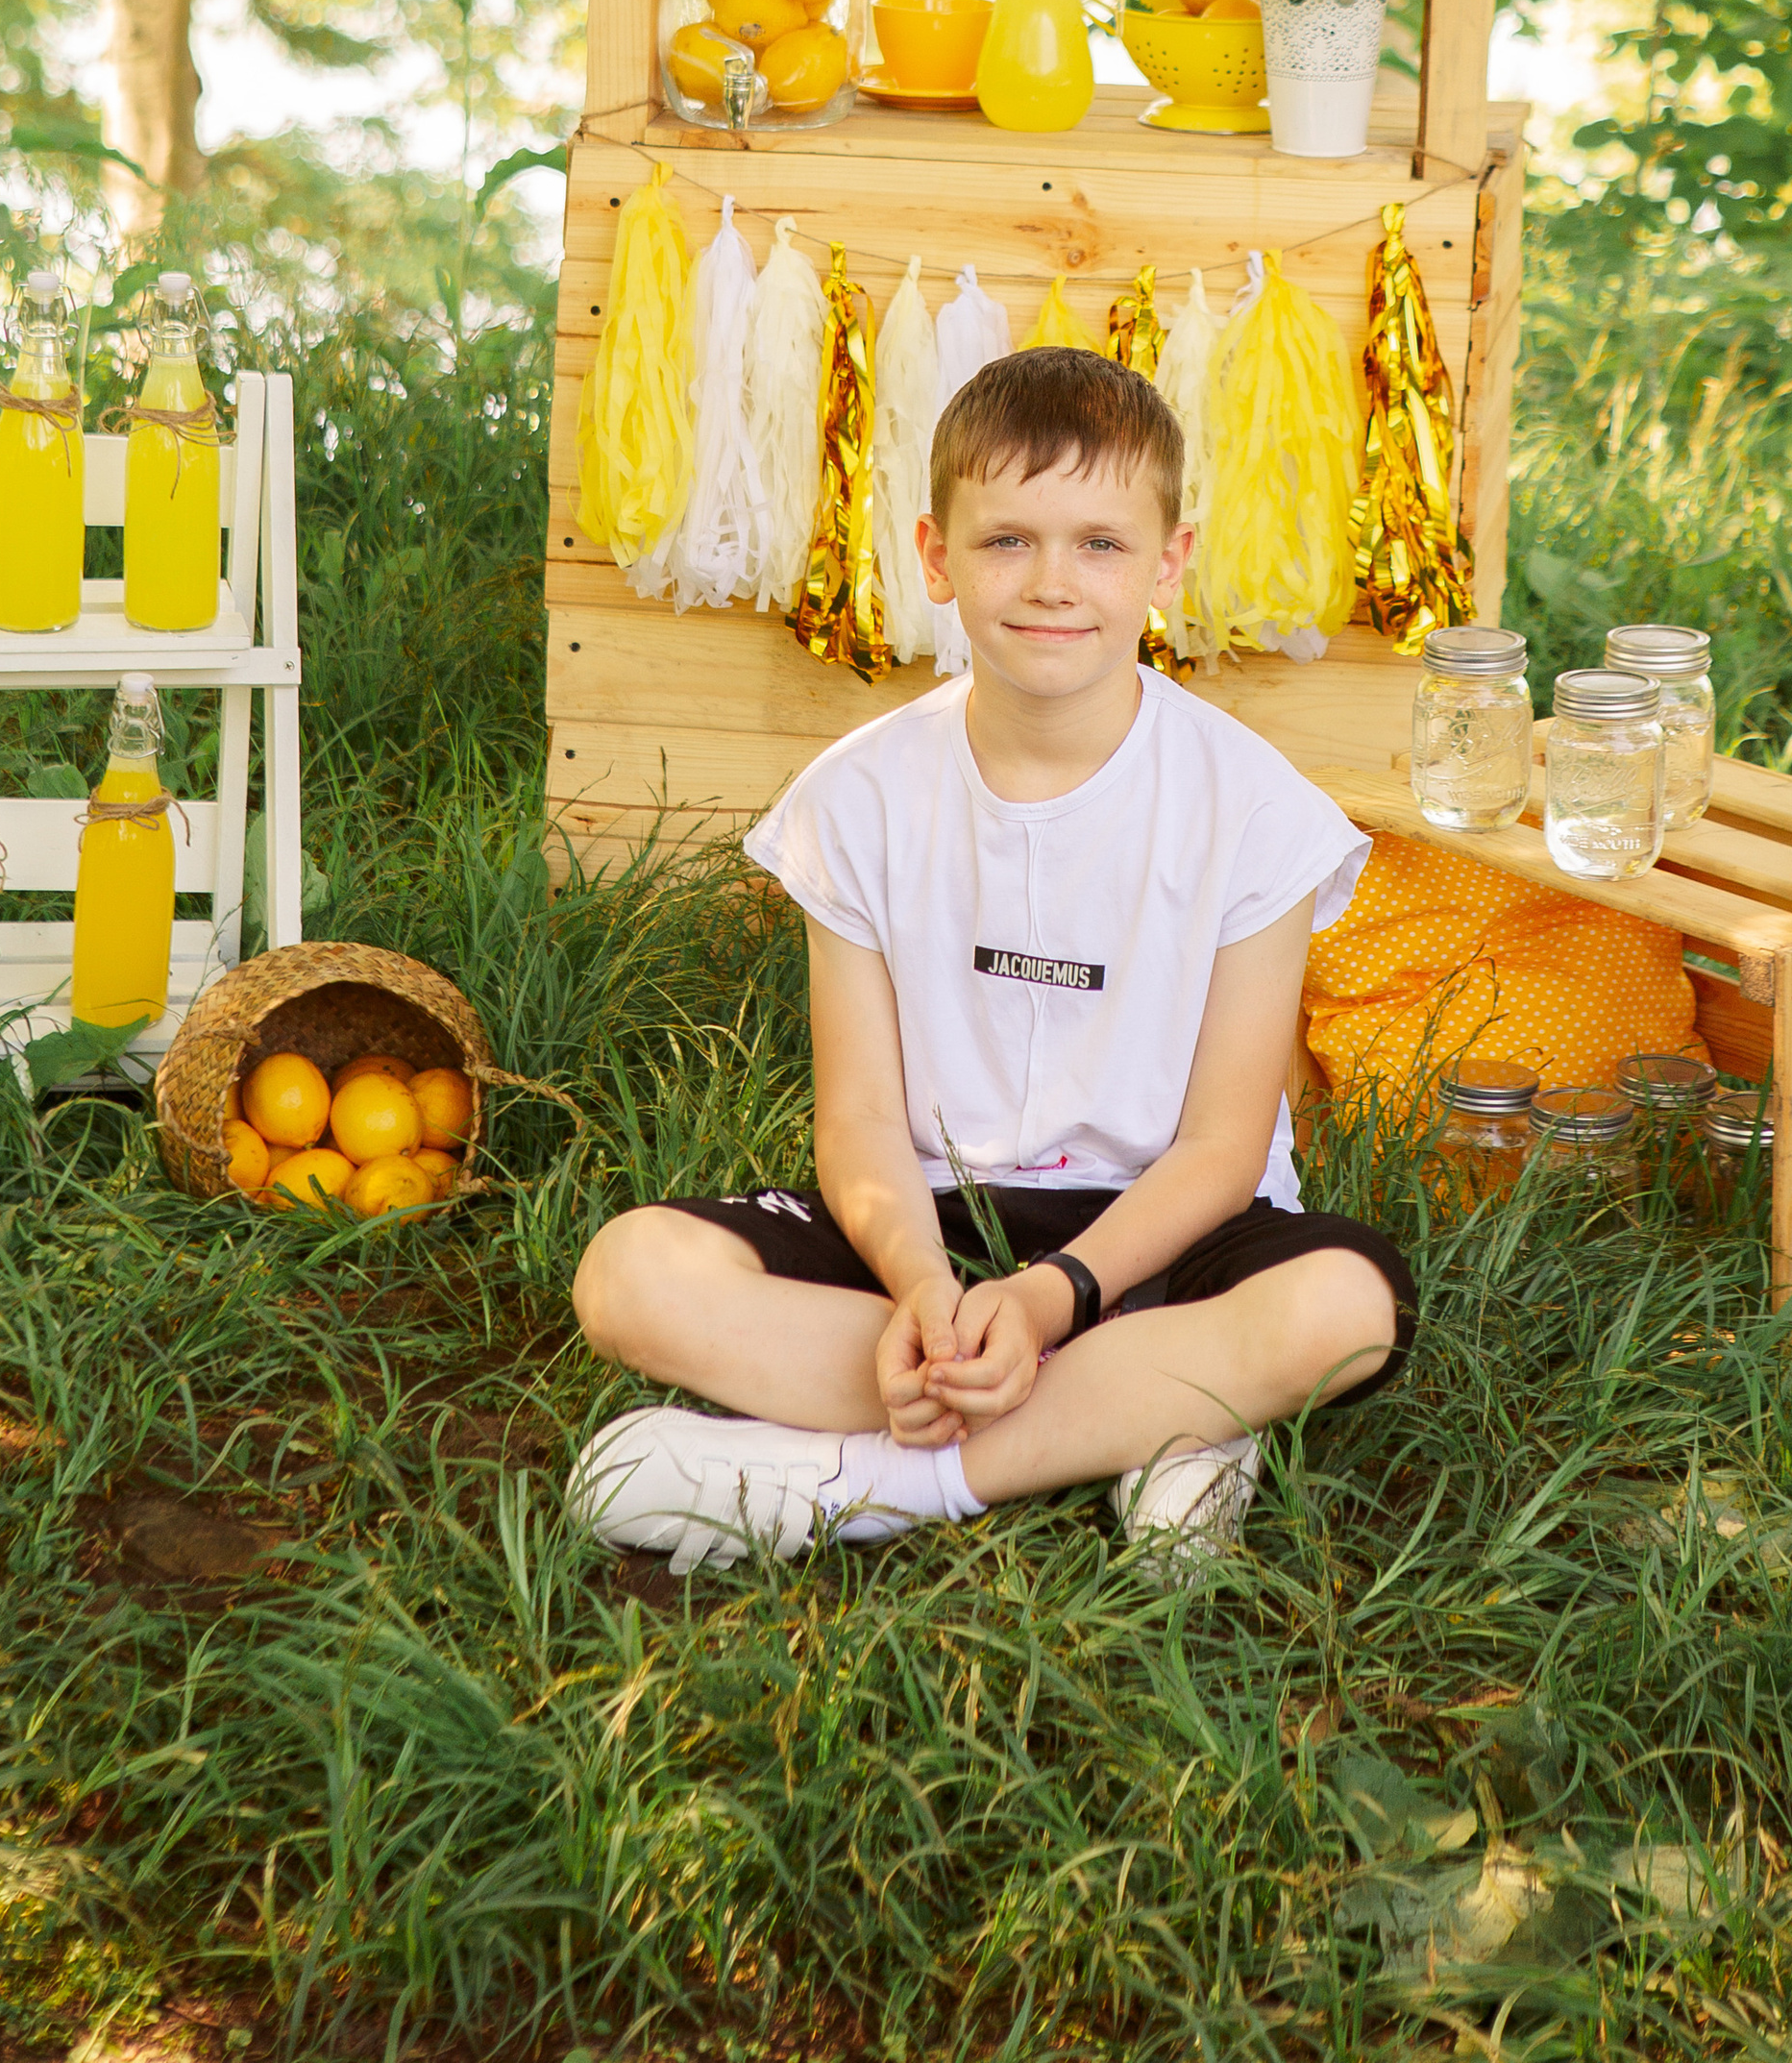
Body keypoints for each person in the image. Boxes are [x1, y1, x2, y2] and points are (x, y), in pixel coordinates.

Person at [566, 343, 1414, 1576]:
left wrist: (1052, 1298)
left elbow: (1226, 1149)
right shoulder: (853, 799)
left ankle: (868, 1485)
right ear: (935, 556)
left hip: (1162, 1230)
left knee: (1346, 1307)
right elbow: (858, 1117)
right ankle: (1155, 1418)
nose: (1052, 582)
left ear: (1168, 562)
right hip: (938, 1215)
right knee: (632, 1275)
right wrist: (918, 1288)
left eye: (1102, 544)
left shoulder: (1253, 809)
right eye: (1006, 539)